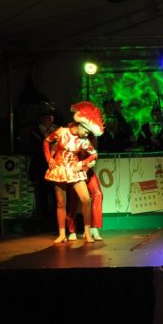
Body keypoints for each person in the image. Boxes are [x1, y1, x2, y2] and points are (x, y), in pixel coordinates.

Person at [44, 101, 105, 243]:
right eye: (87, 131)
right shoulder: (61, 131)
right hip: (59, 169)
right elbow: (46, 141)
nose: (87, 134)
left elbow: (94, 154)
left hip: (74, 170)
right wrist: (49, 159)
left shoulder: (83, 140)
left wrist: (82, 163)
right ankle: (62, 234)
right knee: (61, 203)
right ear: (80, 125)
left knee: (86, 199)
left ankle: (87, 232)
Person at [66, 133, 104, 241]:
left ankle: (93, 227)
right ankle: (72, 230)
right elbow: (70, 159)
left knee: (98, 194)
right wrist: (84, 164)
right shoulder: (74, 138)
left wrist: (91, 162)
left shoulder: (92, 137)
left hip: (88, 172)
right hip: (75, 173)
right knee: (73, 199)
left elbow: (94, 154)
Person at [28, 101, 58, 218]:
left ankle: (56, 214)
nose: (49, 120)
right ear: (42, 119)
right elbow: (34, 148)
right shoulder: (35, 131)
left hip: (55, 165)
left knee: (55, 191)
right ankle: (44, 215)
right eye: (47, 118)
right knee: (42, 191)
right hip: (41, 166)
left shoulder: (56, 129)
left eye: (51, 117)